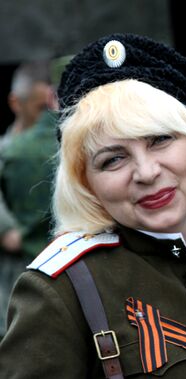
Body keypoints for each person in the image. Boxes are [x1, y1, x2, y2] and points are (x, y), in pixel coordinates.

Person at [0, 33, 186, 378]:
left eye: (160, 140)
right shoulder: (61, 290)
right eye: (113, 160)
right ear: (85, 182)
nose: (146, 172)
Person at [0, 61, 53, 340]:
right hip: (15, 271)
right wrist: (7, 229)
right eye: (39, 108)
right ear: (15, 102)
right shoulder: (6, 151)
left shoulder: (58, 144)